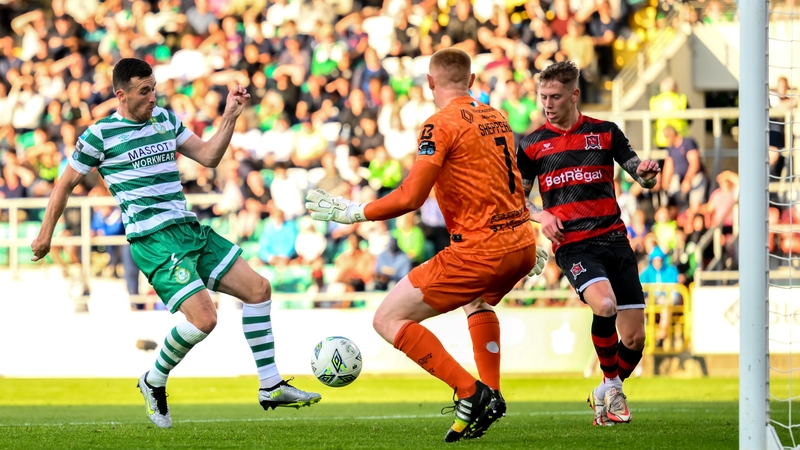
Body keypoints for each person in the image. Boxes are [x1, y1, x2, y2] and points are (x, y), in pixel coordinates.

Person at [30, 58, 320, 429]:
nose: (153, 97)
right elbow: (64, 184)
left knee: (259, 289)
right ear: (121, 95)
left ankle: (270, 385)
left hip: (188, 228)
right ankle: (153, 380)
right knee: (205, 318)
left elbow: (210, 156)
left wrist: (230, 116)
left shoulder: (165, 119)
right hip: (153, 239)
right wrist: (45, 234)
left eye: (154, 88)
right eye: (144, 91)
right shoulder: (99, 135)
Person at [305, 48, 547, 442]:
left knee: (388, 320)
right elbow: (511, 181)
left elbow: (410, 198)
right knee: (478, 301)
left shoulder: (439, 124)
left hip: (480, 250)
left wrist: (354, 211)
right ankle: (493, 394)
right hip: (519, 243)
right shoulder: (496, 117)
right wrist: (523, 232)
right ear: (471, 82)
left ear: (430, 83)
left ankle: (471, 392)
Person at [516, 61, 661, 427]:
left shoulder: (605, 132)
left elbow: (638, 174)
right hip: (574, 245)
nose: (547, 103)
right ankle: (613, 389)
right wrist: (542, 216)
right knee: (605, 304)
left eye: (555, 96)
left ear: (574, 95)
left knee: (635, 338)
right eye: (543, 96)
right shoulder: (532, 145)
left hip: (615, 239)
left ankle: (603, 391)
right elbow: (516, 198)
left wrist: (645, 176)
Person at [659, 125, 707, 213]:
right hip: (679, 179)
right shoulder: (671, 149)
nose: (667, 140)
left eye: (667, 137)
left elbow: (695, 163)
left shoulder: (688, 143)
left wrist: (688, 180)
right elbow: (668, 166)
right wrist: (665, 185)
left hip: (694, 177)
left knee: (695, 205)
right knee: (672, 200)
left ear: (672, 134)